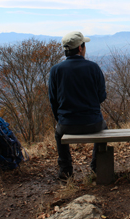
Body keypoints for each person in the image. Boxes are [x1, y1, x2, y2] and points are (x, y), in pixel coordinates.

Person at [49, 31, 107, 180]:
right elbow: (102, 97)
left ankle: (66, 170)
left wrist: (61, 119)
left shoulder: (56, 70)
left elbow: (53, 100)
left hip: (67, 124)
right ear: (80, 48)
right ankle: (96, 166)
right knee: (104, 129)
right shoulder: (93, 68)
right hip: (93, 123)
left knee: (58, 134)